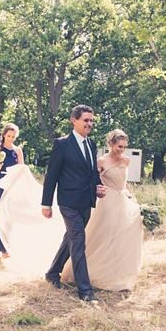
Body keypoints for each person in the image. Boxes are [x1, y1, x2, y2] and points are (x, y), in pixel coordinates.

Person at [60, 129, 143, 291]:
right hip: (107, 201)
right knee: (107, 236)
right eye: (119, 146)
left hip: (122, 199)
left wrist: (132, 197)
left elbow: (124, 182)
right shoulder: (101, 161)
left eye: (124, 147)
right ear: (111, 144)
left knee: (122, 238)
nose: (122, 150)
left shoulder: (126, 160)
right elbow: (93, 181)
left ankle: (118, 276)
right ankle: (95, 274)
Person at [41, 104, 107, 302]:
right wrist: (46, 204)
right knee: (78, 241)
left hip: (86, 201)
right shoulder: (62, 144)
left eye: (91, 120)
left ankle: (52, 273)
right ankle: (85, 291)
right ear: (74, 120)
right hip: (68, 201)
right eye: (86, 120)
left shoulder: (91, 144)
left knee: (71, 238)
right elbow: (51, 175)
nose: (89, 124)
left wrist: (98, 185)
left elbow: (92, 172)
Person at [0, 123, 24, 259]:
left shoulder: (18, 150)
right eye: (9, 136)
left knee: (9, 215)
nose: (11, 139)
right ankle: (4, 249)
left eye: (13, 136)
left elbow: (21, 169)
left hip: (11, 184)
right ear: (3, 135)